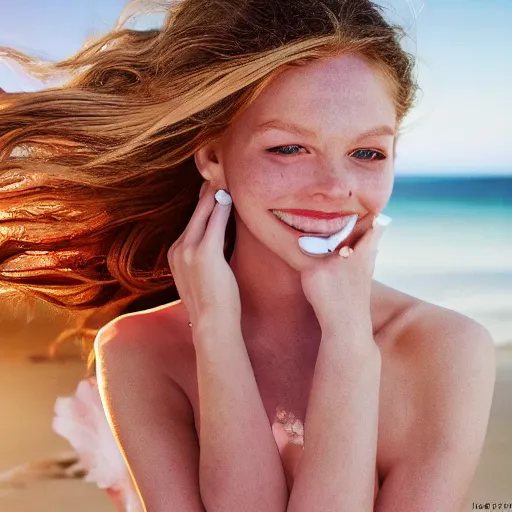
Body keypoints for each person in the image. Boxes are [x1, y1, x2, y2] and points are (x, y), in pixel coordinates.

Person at [0, 0, 496, 510]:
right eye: (288, 148)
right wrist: (216, 333)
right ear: (213, 156)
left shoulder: (447, 350)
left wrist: (349, 346)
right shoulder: (137, 352)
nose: (335, 187)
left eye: (367, 153)